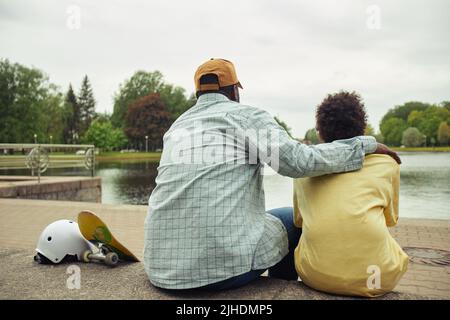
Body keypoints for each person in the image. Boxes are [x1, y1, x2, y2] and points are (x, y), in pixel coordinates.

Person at [143, 58, 401, 290]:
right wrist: (363, 145)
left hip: (161, 271)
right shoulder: (246, 117)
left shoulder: (176, 128)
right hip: (221, 273)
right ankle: (283, 289)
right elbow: (298, 162)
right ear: (234, 91)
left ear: (198, 93)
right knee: (292, 219)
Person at [293, 91, 408, 297]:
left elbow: (299, 221)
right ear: (362, 128)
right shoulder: (388, 163)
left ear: (319, 131)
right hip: (377, 280)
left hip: (314, 277)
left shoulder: (304, 170)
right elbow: (391, 219)